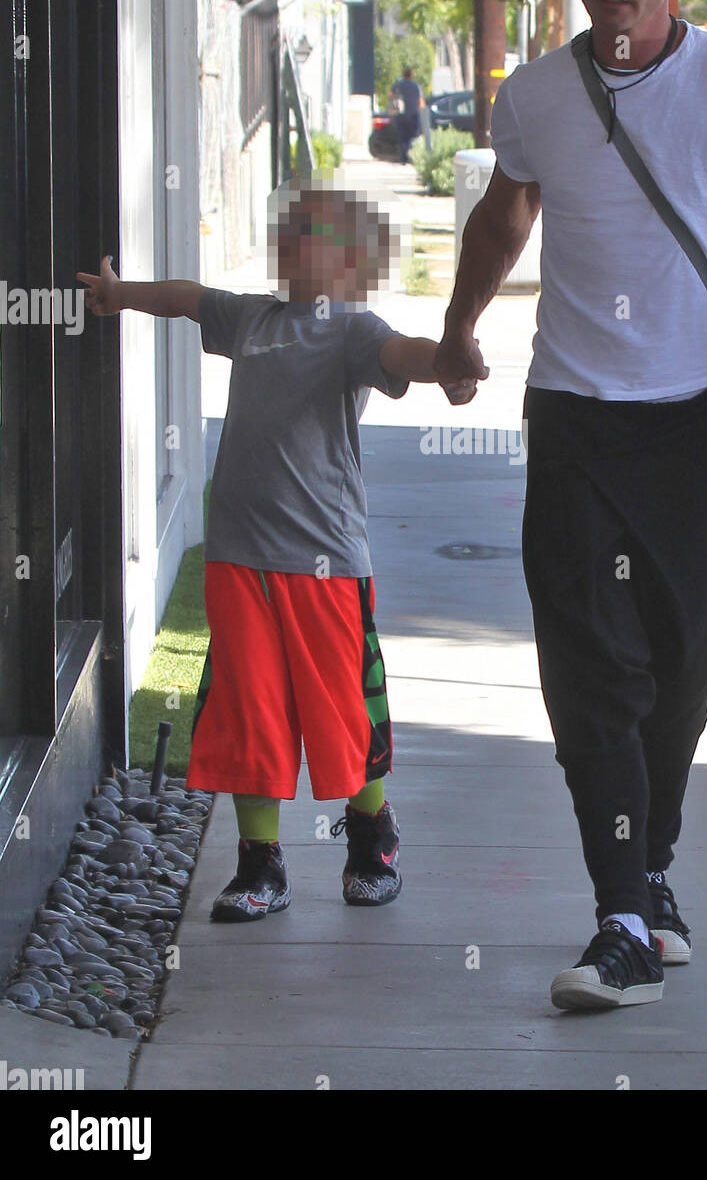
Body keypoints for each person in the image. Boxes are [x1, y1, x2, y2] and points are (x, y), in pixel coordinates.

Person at [433, 0, 707, 1011]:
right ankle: (621, 918)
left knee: (680, 669)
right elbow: (504, 215)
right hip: (576, 420)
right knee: (594, 674)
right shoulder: (537, 96)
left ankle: (647, 872)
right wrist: (455, 329)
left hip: (698, 420)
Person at [78, 178, 476, 924]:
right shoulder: (250, 317)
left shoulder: (353, 330)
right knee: (247, 708)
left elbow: (407, 353)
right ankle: (259, 865)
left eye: (315, 239)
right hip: (237, 552)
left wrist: (450, 362)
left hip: (323, 559)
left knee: (342, 712)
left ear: (355, 262)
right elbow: (189, 296)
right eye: (289, 236)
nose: (294, 249)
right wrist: (120, 292)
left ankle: (370, 844)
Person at [389, 66, 424, 164]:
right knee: (412, 136)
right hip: (413, 114)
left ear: (403, 75)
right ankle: (410, 156)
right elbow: (421, 102)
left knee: (402, 136)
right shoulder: (416, 86)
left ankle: (403, 157)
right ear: (411, 75)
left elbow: (391, 95)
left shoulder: (398, 85)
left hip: (401, 114)